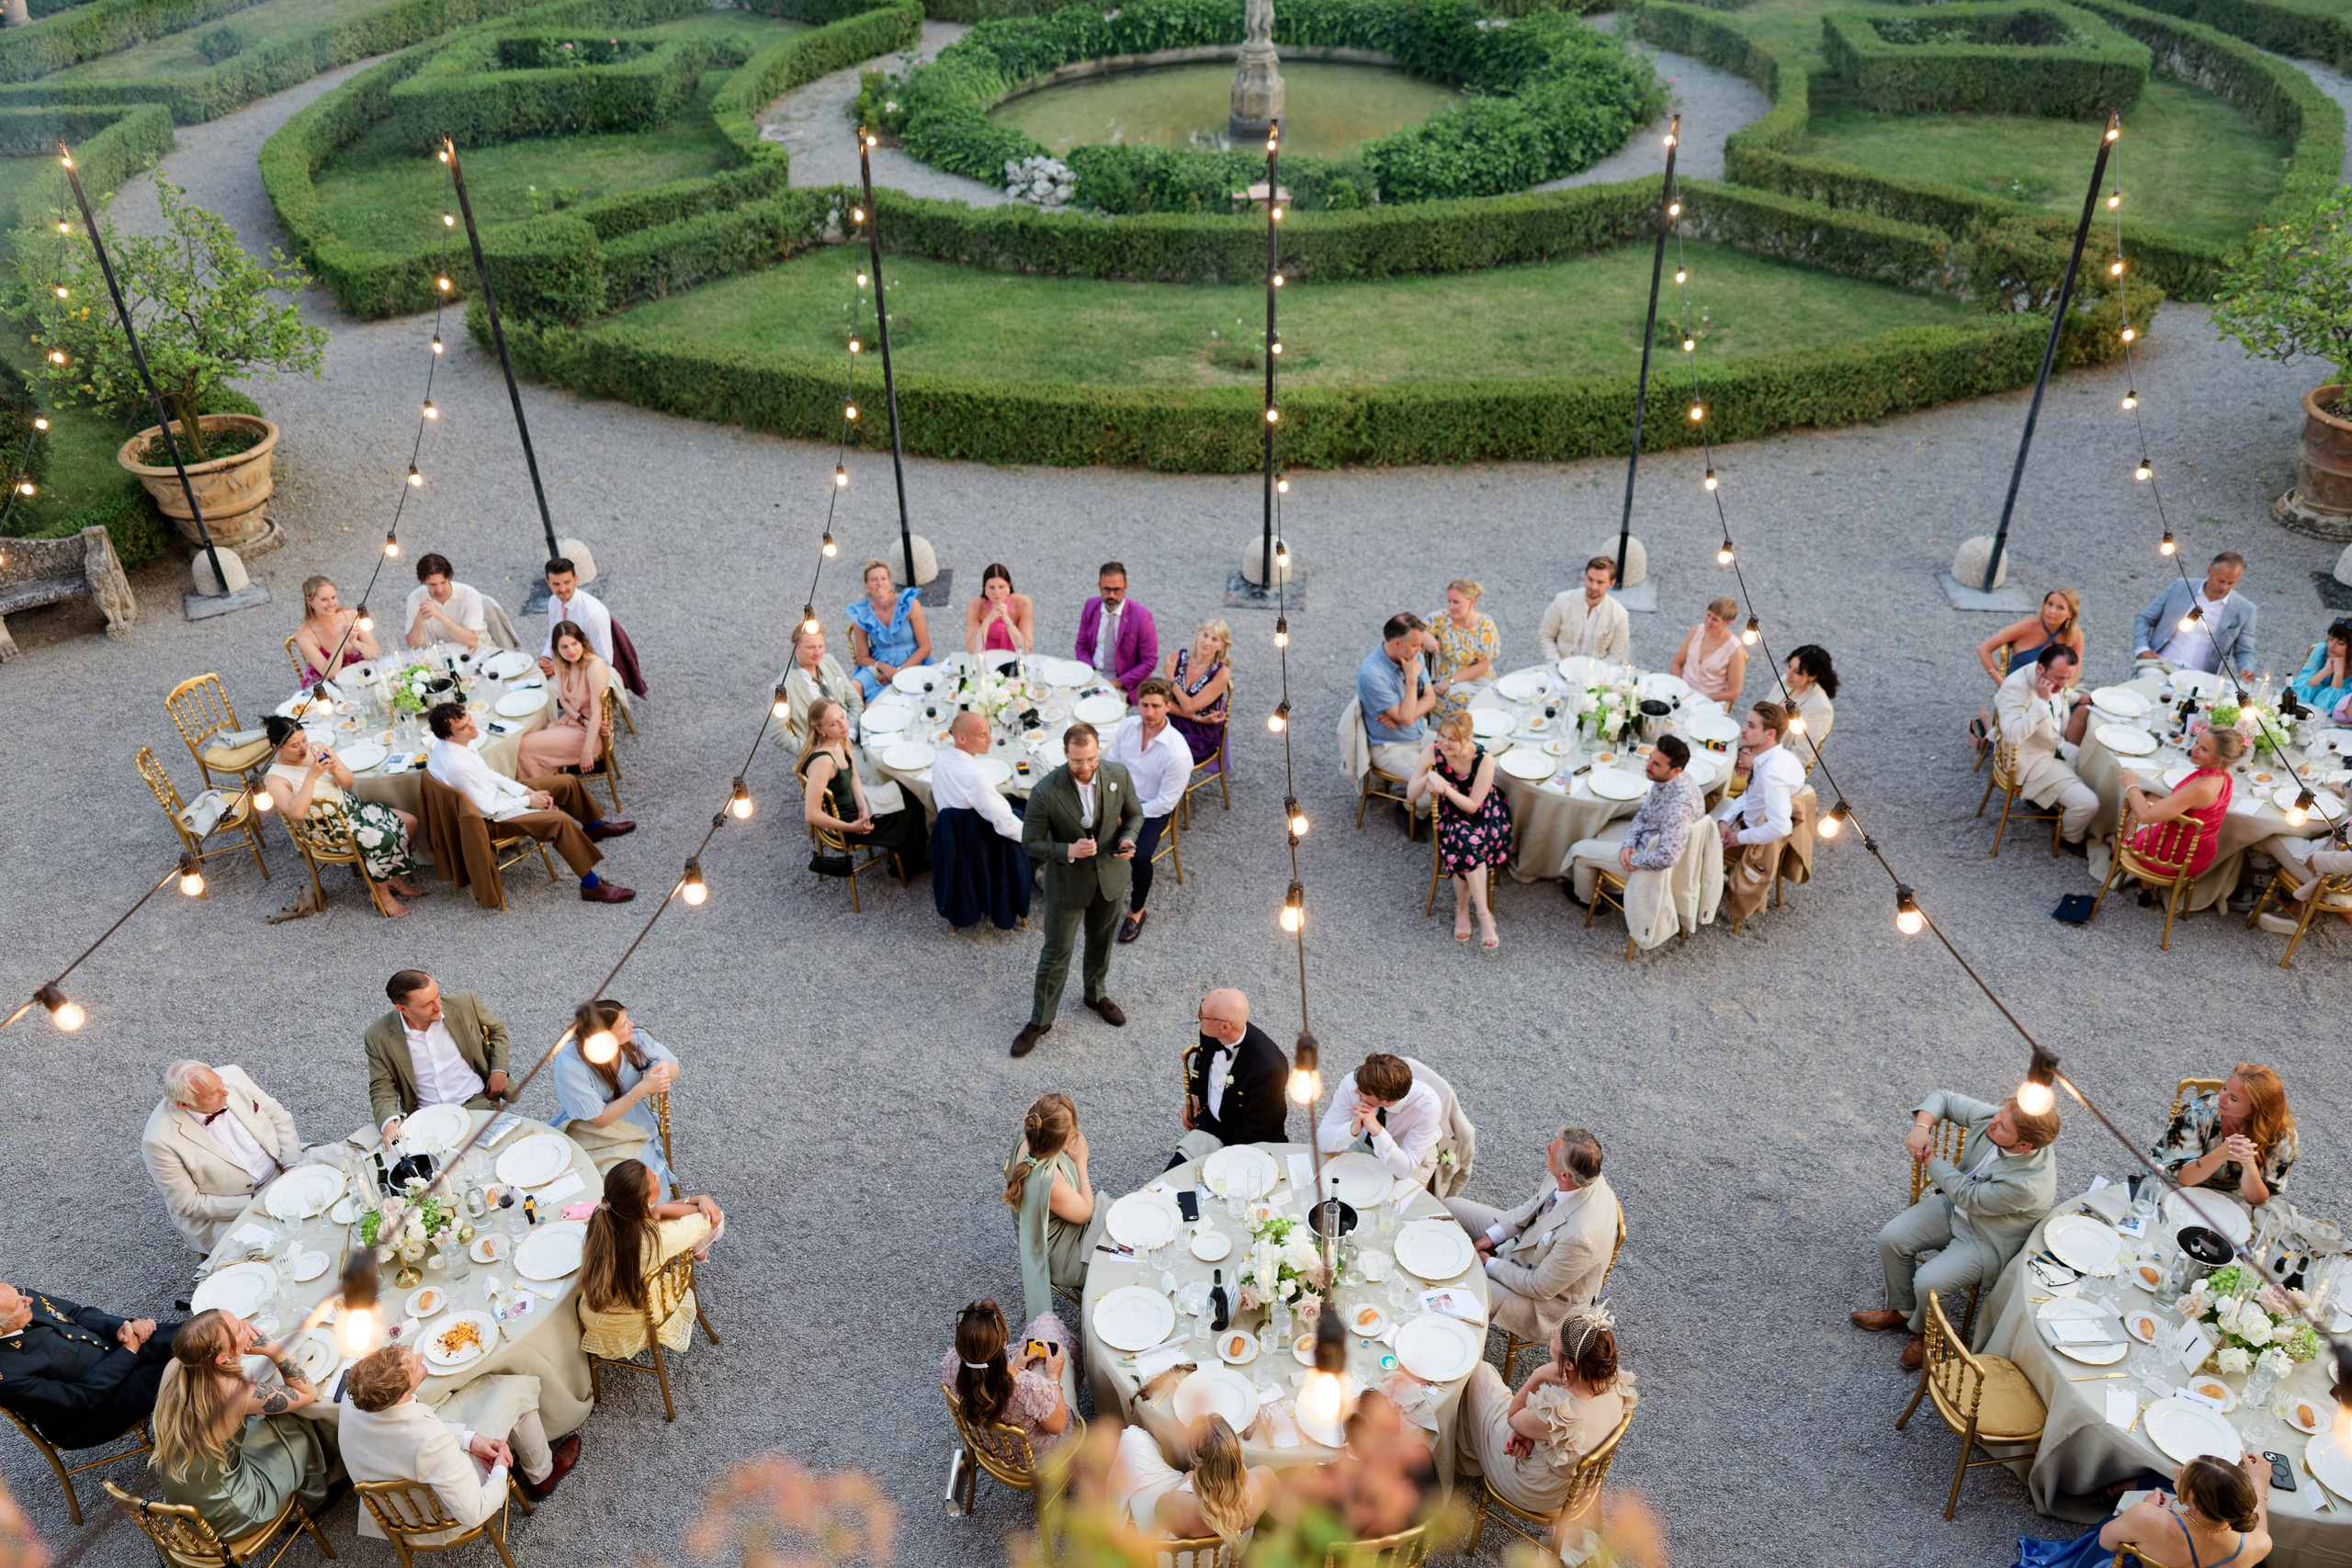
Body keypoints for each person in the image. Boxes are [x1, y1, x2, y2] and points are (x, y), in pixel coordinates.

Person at [1851, 1089, 2061, 1370]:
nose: (1992, 1121)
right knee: (1891, 1238)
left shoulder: (2028, 1185)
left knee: (1930, 1281)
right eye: (1999, 1113)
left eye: (2002, 1126)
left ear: (2023, 1145)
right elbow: (1943, 1098)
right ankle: (1904, 1310)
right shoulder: (1998, 1119)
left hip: (1988, 1237)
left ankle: (1926, 1335)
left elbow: (1968, 1195)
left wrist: (1929, 1160)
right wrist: (1921, 1128)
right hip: (1954, 1208)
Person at [340, 1342, 577, 1532]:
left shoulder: (355, 1400)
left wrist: (470, 1439)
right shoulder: (431, 1442)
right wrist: (501, 1468)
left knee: (478, 1389)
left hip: (392, 1508)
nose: (421, 1356)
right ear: (400, 1396)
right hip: (434, 1513)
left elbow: (408, 1434)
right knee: (517, 1390)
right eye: (415, 1365)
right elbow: (475, 1513)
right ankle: (542, 1474)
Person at [1013, 723, 1142, 1058]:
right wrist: (1068, 851)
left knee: (1101, 943)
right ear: (1065, 755)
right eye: (1077, 762)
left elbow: (1134, 814)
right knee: (1056, 954)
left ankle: (1094, 994)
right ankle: (1040, 1020)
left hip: (1110, 878)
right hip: (1068, 886)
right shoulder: (1046, 791)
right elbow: (1030, 843)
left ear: (1099, 751)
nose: (1085, 768)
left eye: (1091, 759)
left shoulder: (1118, 774)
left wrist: (1128, 839)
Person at [150, 1312, 333, 1544]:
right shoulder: (232, 1393)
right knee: (296, 1429)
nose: (247, 1325)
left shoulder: (177, 1366)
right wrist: (274, 1349)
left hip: (185, 1499)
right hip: (229, 1511)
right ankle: (307, 1502)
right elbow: (308, 1393)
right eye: (238, 1328)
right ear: (221, 1357)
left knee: (264, 1421)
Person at [426, 702, 636, 903]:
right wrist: (528, 801)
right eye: (464, 727)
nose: (473, 727)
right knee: (560, 821)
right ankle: (592, 886)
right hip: (491, 820)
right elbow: (487, 809)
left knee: (567, 782)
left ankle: (593, 827)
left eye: (469, 720)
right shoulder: (457, 767)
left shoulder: (458, 744)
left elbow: (488, 774)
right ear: (449, 736)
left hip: (496, 796)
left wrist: (525, 791)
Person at [1444, 1127, 1620, 1343]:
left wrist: (1487, 1263)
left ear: (1565, 1175)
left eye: (1551, 1151)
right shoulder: (1576, 1173)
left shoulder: (1579, 1238)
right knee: (1448, 1208)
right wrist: (1493, 1236)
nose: (1546, 1148)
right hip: (1528, 1242)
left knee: (1459, 1293)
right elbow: (1536, 1204)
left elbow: (1538, 1287)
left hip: (1545, 1303)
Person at [1457, 1308, 1633, 1520]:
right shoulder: (1616, 1383)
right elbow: (1555, 1431)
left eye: (1556, 1337)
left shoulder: (1560, 1412)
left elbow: (1513, 1417)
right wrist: (1534, 1433)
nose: (1551, 1332)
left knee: (1480, 1374)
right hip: (1574, 1483)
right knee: (1494, 1398)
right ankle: (1470, 1447)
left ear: (1569, 1365)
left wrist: (1537, 1376)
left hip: (1532, 1489)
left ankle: (1457, 1451)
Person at [262, 716, 428, 914]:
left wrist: (335, 769)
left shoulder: (317, 748)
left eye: (304, 740)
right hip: (327, 827)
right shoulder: (275, 778)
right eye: (294, 745)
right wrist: (312, 776)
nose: (303, 748)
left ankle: (391, 876)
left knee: (409, 822)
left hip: (351, 808)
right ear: (276, 748)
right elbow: (296, 812)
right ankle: (381, 895)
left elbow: (348, 783)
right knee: (384, 840)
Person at [141, 1061, 302, 1256]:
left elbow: (278, 1116)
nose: (225, 1094)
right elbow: (187, 1203)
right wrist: (256, 1203)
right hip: (230, 1211)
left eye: (221, 1085)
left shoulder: (233, 1075)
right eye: (212, 1095)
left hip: (282, 1171)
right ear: (183, 1105)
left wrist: (291, 1166)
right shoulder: (158, 1140)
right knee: (266, 1257)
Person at [577, 1159, 725, 1360]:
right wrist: (700, 1198)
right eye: (653, 1179)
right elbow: (712, 1218)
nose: (657, 1176)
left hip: (593, 1318)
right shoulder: (658, 1237)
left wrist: (656, 1210)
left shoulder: (601, 1217)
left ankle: (694, 1246)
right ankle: (699, 1249)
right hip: (635, 1324)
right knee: (717, 1224)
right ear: (644, 1198)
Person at [0, 1281, 177, 1450]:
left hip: (113, 1351)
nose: (28, 1300)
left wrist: (122, 1327)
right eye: (18, 1305)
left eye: (20, 1295)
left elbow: (76, 1313)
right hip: (93, 1412)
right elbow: (77, 1399)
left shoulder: (14, 1298)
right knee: (180, 1367)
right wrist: (128, 1353)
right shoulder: (7, 1376)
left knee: (189, 1335)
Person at [2016, 1454, 2272, 1568]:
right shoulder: (2252, 1548)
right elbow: (2260, 1528)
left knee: (2112, 1529)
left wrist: (2148, 1507)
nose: (2175, 1470)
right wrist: (2259, 1484)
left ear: (2193, 1502)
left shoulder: (2147, 1516)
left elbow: (2107, 1542)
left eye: (2182, 1473)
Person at [365, 969, 514, 1144]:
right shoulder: (378, 1036)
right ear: (402, 1009)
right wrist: (389, 1123)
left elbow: (497, 1030)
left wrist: (499, 1070)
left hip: (479, 1102)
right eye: (427, 1004)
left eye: (437, 996)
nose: (438, 1006)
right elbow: (382, 1087)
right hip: (427, 1118)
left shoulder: (464, 1002)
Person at [553, 998, 683, 1196]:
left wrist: (665, 1070)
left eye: (627, 1020)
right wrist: (642, 1088)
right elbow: (600, 1119)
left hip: (634, 1119)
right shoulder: (570, 1063)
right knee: (599, 1182)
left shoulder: (636, 1039)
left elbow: (674, 1068)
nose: (631, 1025)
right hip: (589, 1128)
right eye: (623, 1025)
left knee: (639, 1180)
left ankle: (653, 1216)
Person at [1408, 708, 1511, 948]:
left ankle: (1464, 909)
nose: (1444, 742)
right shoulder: (1434, 750)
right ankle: (1483, 914)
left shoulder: (1483, 758)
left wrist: (1445, 787)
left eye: (1451, 739)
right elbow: (1411, 794)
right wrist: (1428, 778)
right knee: (1464, 844)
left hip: (1486, 817)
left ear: (1467, 740)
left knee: (1466, 847)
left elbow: (1474, 806)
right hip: (1451, 816)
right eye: (1442, 735)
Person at [1567, 735, 1702, 907]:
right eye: (1650, 759)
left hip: (1649, 859)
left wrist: (1633, 859)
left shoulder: (1680, 806)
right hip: (1648, 837)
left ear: (1676, 770)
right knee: (1601, 827)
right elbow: (1645, 813)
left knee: (1579, 851)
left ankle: (1587, 899)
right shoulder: (1673, 777)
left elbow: (1668, 857)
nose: (1648, 766)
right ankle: (1614, 888)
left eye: (1656, 764)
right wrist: (1628, 844)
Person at [801, 697, 929, 876]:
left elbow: (853, 775)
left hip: (856, 804)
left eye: (842, 717)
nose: (843, 725)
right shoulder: (823, 762)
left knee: (908, 790)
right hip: (846, 821)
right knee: (910, 801)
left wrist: (863, 807)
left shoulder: (841, 739)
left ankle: (908, 850)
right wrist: (852, 826)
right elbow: (811, 814)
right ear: (820, 730)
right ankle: (907, 864)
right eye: (833, 724)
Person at [942, 1301, 1079, 1465]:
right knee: (1048, 1323)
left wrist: (1015, 1367)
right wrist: (1054, 1376)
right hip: (1037, 1459)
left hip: (990, 1446)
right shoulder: (1029, 1388)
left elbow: (988, 1387)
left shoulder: (952, 1363)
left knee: (1037, 1336)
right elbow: (1058, 1428)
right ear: (1004, 1342)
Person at [1108, 679, 1192, 943]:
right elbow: (1112, 764)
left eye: (1156, 706)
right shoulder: (1126, 727)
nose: (1149, 712)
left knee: (1140, 855)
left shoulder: (1178, 753)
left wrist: (1129, 815)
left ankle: (1136, 910)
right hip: (1120, 799)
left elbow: (1165, 802)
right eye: (1144, 705)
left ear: (1168, 706)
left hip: (1151, 809)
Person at [930, 711, 1030, 931]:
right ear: (962, 739)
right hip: (981, 846)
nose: (990, 739)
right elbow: (1004, 823)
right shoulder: (975, 776)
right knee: (1021, 812)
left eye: (989, 733)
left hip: (951, 840)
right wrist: (1034, 837)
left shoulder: (940, 761)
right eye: (983, 735)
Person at [1992, 646, 2098, 852]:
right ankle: (2070, 838)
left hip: (2053, 746)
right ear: (2041, 669)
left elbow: (2064, 693)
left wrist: (2083, 698)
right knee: (2088, 804)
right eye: (2060, 678)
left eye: (2069, 678)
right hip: (2029, 759)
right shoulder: (2015, 688)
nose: (2063, 684)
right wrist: (2041, 702)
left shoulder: (2051, 678)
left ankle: (2058, 805)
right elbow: (2012, 736)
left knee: (2096, 768)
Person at [1108, 1415, 1273, 1543]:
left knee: (1132, 1435)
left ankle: (1112, 1519)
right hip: (1229, 1556)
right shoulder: (1263, 1479)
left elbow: (1158, 1518)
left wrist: (1187, 1478)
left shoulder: (1179, 1504)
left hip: (1180, 1561)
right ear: (1237, 1454)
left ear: (1193, 1461)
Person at [1003, 1094, 1094, 1324]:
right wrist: (1081, 1163)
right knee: (1115, 1253)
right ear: (1059, 1144)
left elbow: (1035, 1106)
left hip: (1037, 1229)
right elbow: (1085, 1213)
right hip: (1059, 1252)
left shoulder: (1029, 1132)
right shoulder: (1050, 1181)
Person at [2152, 1065, 2296, 1208]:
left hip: (2228, 1197)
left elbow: (2257, 1199)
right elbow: (2185, 1179)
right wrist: (2221, 1154)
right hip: (2170, 1181)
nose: (2221, 1098)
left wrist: (2249, 1165)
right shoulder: (2198, 1112)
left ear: (2258, 1109)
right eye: (2225, 1088)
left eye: (2233, 1098)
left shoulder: (2282, 1136)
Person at [1175, 987, 1291, 1166]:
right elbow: (1201, 1063)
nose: (1198, 1016)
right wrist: (1196, 1097)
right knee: (1171, 1181)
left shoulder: (1270, 1068)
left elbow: (1257, 1130)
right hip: (1212, 1126)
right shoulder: (1210, 1031)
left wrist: (1222, 1163)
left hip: (1251, 1143)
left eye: (1203, 1015)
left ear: (1225, 1027)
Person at [2110, 723, 2241, 880]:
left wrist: (2132, 784)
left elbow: (2145, 815)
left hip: (2171, 857)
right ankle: (2146, 886)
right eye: (2197, 742)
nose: (2194, 749)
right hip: (2197, 851)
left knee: (2137, 807)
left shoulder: (2202, 787)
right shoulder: (2224, 777)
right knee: (2153, 797)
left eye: (2204, 749)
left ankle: (2117, 845)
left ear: (2220, 758)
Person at [1716, 702, 1806, 924]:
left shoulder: (1772, 774)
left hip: (1751, 841)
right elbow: (1750, 795)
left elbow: (1781, 826)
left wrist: (1739, 837)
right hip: (1743, 820)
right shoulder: (1777, 758)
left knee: (1691, 835)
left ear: (1770, 734)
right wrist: (1725, 819)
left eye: (1751, 726)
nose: (1743, 730)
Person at [1974, 587, 2086, 756]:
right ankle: (2044, 754)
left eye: (2060, 608)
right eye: (2049, 604)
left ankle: (2065, 752)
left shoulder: (2075, 635)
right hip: (2022, 692)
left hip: (2054, 692)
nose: (2051, 611)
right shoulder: (2027, 626)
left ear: (2071, 614)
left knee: (2085, 710)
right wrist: (2000, 682)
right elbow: (1984, 649)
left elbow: (2075, 671)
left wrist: (2062, 690)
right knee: (2042, 716)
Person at [1314, 1053, 1452, 1188]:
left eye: (1365, 1092)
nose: (1356, 1091)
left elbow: (1404, 1170)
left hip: (1408, 1154)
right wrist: (1351, 1130)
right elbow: (1323, 1142)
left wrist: (1377, 1131)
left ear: (1389, 1102)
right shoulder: (1353, 1082)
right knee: (1328, 1181)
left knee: (1393, 1206)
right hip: (1364, 1139)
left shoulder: (1427, 1107)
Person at [2135, 552, 2258, 680]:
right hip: (2160, 664)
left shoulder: (2245, 609)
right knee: (2149, 680)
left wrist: (2247, 668)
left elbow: (2245, 650)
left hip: (2201, 677)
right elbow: (2145, 619)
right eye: (2220, 581)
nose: (2224, 587)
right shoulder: (2180, 586)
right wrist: (2141, 648)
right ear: (2209, 571)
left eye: (2231, 583)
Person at [516, 620, 614, 778]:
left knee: (522, 747)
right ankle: (546, 789)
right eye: (564, 647)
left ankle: (545, 792)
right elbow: (564, 702)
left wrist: (587, 752)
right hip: (576, 723)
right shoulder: (562, 663)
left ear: (582, 642)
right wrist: (583, 720)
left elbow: (597, 713)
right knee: (522, 743)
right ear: (557, 649)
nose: (571, 651)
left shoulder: (594, 666)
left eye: (574, 644)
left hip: (593, 734)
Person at [1359, 613, 1436, 793]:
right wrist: (1411, 680)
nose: (1420, 649)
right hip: (1391, 747)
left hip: (1421, 734)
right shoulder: (1372, 674)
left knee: (1463, 766)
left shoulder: (1413, 656)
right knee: (1432, 790)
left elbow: (1430, 699)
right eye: (1415, 645)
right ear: (1397, 643)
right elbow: (1408, 718)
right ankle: (1406, 812)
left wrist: (1402, 717)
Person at [846, 558, 931, 701]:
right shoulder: (861, 613)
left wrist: (898, 672)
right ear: (866, 586)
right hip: (879, 664)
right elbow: (862, 657)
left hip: (911, 661)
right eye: (873, 580)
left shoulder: (909, 604)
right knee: (855, 687)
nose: (879, 583)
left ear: (890, 582)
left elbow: (925, 647)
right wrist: (883, 668)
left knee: (908, 697)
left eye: (883, 578)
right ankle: (857, 720)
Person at [773, 623, 865, 753]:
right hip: (824, 753)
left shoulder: (829, 661)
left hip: (852, 735)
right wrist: (814, 753)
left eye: (821, 646)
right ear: (795, 647)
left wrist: (851, 736)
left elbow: (855, 701)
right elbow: (778, 735)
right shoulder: (783, 687)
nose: (817, 653)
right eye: (810, 647)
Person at [1074, 560, 1158, 704]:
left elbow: (1149, 661)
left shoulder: (1142, 616)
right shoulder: (1090, 606)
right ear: (1099, 586)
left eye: (1117, 590)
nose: (1111, 595)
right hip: (1094, 674)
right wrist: (1091, 674)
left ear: (1126, 587)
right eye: (1107, 589)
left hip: (1123, 682)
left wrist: (1118, 682)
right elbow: (1081, 646)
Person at [1159, 618, 1232, 765]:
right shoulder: (1178, 656)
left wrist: (1170, 677)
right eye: (1204, 635)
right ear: (1197, 635)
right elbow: (1163, 701)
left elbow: (1189, 706)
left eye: (1214, 639)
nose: (1207, 642)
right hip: (1171, 719)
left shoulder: (1221, 673)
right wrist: (1195, 717)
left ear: (1221, 646)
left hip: (1199, 733)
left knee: (1166, 755)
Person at [1423, 578, 1499, 716]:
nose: (1451, 607)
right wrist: (1424, 634)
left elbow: (1483, 665)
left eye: (1456, 602)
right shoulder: (1441, 619)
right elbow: (1411, 628)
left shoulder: (1486, 625)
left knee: (1482, 702)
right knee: (1466, 701)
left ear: (1472, 602)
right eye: (1449, 601)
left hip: (1478, 677)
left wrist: (1451, 681)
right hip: (1448, 676)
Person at [1538, 557, 1632, 665]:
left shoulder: (1620, 615)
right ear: (1585, 577)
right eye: (1590, 579)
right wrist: (1557, 665)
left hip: (1597, 675)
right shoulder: (1562, 601)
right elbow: (1546, 636)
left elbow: (1617, 655)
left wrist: (1595, 674)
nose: (1593, 586)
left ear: (1611, 584)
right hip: (1561, 666)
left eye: (1600, 582)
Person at [293, 574, 380, 687]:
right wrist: (340, 641)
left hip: (363, 677)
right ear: (310, 601)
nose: (331, 604)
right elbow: (330, 674)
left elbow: (378, 655)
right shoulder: (304, 635)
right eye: (324, 600)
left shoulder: (352, 616)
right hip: (328, 686)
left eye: (333, 597)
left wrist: (355, 642)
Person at [537, 558, 614, 671]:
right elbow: (553, 636)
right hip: (563, 663)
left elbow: (605, 660)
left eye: (567, 582)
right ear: (548, 583)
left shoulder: (594, 615)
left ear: (575, 579)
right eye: (556, 584)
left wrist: (561, 669)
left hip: (589, 673)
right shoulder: (554, 601)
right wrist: (546, 656)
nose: (562, 589)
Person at [1669, 596, 1747, 707]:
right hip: (1684, 692)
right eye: (1708, 615)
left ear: (1728, 623)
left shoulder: (1735, 650)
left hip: (1709, 700)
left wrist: (1703, 698)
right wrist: (1680, 687)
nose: (1708, 621)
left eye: (1715, 619)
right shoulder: (1696, 631)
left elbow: (1735, 692)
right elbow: (1676, 662)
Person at [404, 553, 487, 651]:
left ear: (449, 578)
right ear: (423, 582)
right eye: (432, 584)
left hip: (479, 649)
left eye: (443, 582)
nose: (439, 590)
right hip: (446, 651)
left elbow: (471, 641)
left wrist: (440, 616)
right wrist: (418, 622)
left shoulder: (470, 595)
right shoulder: (416, 598)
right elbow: (414, 645)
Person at [1780, 644, 1838, 771]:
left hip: (1779, 766)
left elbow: (1800, 757)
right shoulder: (1786, 681)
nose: (1788, 674)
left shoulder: (1821, 708)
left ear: (1812, 677)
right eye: (1789, 667)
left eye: (1797, 672)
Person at [964, 562, 1035, 657]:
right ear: (985, 588)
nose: (997, 593)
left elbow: (1025, 647)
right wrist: (987, 622)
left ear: (1008, 586)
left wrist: (1007, 619)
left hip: (1017, 657)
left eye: (1001, 587)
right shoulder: (975, 606)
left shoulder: (1023, 603)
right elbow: (972, 649)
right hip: (989, 658)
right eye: (992, 588)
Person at [2288, 619, 2352, 715]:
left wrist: (2338, 674)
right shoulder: (2322, 650)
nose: (2332, 645)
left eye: (2340, 643)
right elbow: (2295, 694)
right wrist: (2325, 671)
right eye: (2330, 639)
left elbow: (2325, 708)